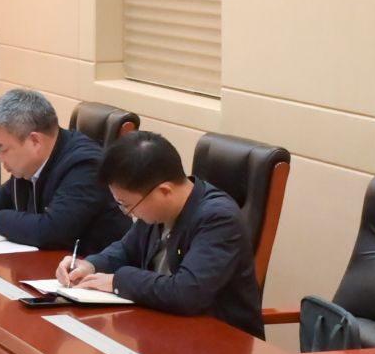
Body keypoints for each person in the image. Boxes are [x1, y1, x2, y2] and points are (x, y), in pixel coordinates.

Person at [58, 131, 265, 338]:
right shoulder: (155, 208)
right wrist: (90, 265)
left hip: (218, 342)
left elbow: (186, 292)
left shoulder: (218, 218)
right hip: (163, 328)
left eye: (127, 205)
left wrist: (117, 281)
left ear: (164, 191)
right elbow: (126, 249)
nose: (127, 213)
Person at [0, 88, 129, 252]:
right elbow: (7, 194)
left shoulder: (85, 165)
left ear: (35, 141)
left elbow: (53, 230)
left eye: (3, 149)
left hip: (92, 275)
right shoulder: (33, 162)